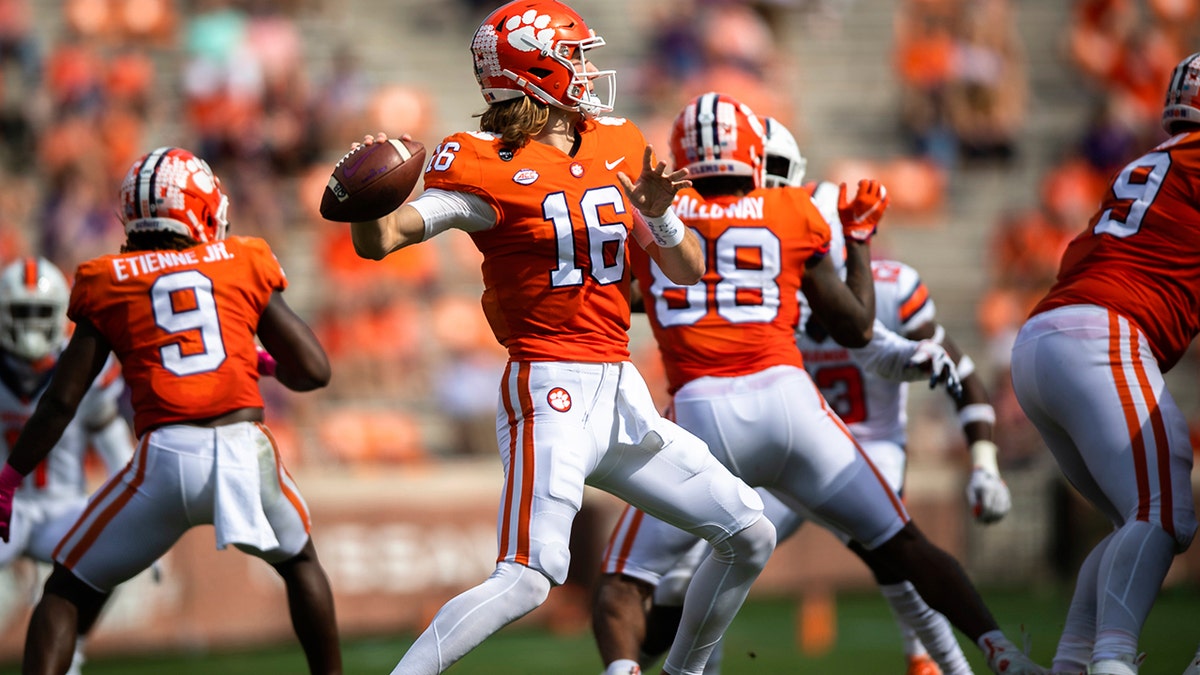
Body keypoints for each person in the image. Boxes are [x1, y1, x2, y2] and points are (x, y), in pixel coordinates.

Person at [344, 3, 778, 674]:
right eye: (573, 56)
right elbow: (388, 239)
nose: (587, 69)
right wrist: (364, 208)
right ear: (535, 69)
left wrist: (659, 218)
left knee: (749, 531)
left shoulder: (617, 141)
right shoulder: (483, 164)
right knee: (527, 576)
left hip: (619, 390)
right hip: (549, 390)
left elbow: (687, 268)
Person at [592, 92, 1044, 675]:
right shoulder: (796, 211)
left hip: (702, 412)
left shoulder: (651, 224)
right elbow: (856, 326)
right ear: (753, 153)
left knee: (626, 581)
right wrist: (856, 239)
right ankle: (1001, 654)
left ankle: (629, 671)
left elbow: (621, 297)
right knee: (904, 547)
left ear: (680, 154)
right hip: (792, 406)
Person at [0, 146, 342, 675]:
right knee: (299, 564)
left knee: (65, 590)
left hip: (162, 459)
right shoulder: (244, 258)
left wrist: (10, 476)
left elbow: (62, 401)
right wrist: (266, 366)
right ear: (201, 210)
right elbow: (314, 371)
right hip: (243, 450)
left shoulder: (107, 278)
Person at [1009, 52, 1200, 675]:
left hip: (1045, 337)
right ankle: (1113, 663)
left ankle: (1070, 664)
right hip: (1104, 336)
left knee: (1133, 521)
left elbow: (1079, 254)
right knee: (1165, 514)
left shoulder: (1147, 164)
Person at [0, 256, 137, 675]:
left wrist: (134, 500)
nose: (31, 323)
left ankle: (70, 646)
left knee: (113, 552)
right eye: (21, 312)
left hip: (63, 505)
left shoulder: (84, 363)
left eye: (41, 312)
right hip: (8, 507)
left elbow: (109, 435)